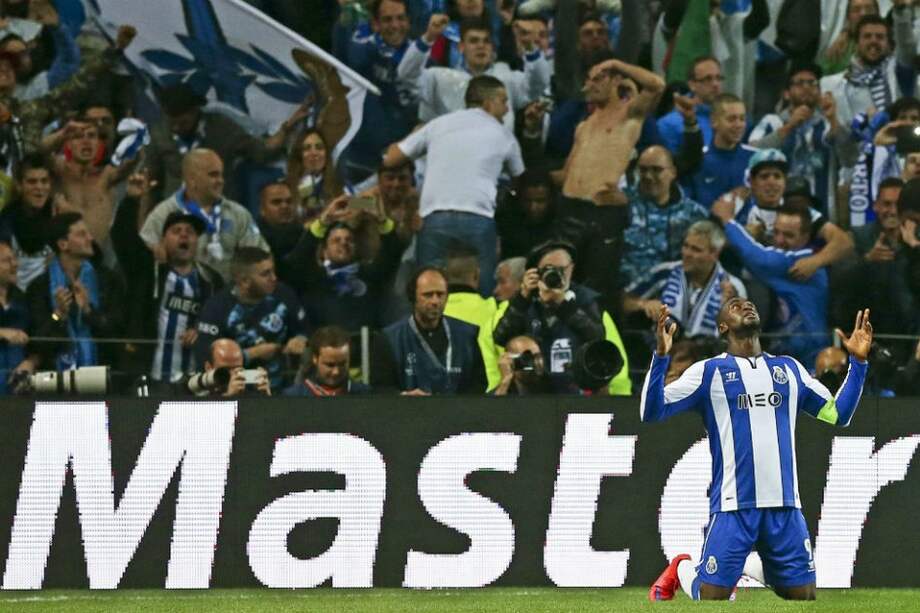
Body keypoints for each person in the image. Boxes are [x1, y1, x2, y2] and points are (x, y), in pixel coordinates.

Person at [643, 302, 872, 602]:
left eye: (749, 303)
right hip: (733, 505)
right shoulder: (708, 372)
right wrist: (661, 357)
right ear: (723, 327)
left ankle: (747, 565)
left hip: (785, 505)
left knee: (802, 597)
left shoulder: (789, 369)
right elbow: (652, 411)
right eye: (735, 306)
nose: (746, 305)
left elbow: (838, 415)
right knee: (711, 598)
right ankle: (681, 567)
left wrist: (858, 363)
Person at [383, 75, 524, 296]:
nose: (507, 110)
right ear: (488, 102)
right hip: (479, 218)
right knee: (482, 295)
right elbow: (521, 180)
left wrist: (415, 135)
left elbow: (390, 159)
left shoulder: (438, 125)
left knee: (430, 292)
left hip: (435, 219)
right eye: (503, 101)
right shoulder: (504, 135)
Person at [559, 56, 664, 300]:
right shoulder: (584, 126)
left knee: (596, 290)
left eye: (599, 78)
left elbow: (657, 85)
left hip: (601, 212)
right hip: (569, 209)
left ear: (617, 80)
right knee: (562, 285)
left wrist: (617, 64)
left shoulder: (629, 115)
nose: (592, 84)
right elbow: (566, 172)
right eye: (589, 80)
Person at [492, 241, 631, 395]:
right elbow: (500, 337)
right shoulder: (524, 301)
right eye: (548, 269)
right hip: (534, 390)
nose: (556, 274)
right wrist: (522, 297)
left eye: (561, 269)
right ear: (536, 272)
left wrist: (564, 305)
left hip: (576, 389)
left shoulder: (585, 300)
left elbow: (598, 337)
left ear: (571, 268)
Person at [144, 83, 306, 203]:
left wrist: (287, 128)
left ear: (195, 111)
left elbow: (261, 151)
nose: (176, 128)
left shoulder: (221, 128)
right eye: (172, 123)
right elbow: (151, 181)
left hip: (219, 211)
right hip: (177, 215)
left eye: (183, 123)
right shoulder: (158, 133)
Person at [712, 202, 829, 366]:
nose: (780, 240)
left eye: (788, 235)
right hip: (780, 359)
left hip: (811, 359)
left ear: (805, 237)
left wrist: (728, 221)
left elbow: (759, 258)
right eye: (776, 232)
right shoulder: (780, 263)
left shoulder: (805, 261)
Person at [139, 149, 270, 282]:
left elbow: (261, 257)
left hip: (228, 292)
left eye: (221, 175)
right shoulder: (163, 214)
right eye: (213, 175)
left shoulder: (238, 214)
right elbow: (141, 258)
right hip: (181, 290)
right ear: (192, 179)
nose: (221, 181)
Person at [283, 194, 406, 331]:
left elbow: (393, 251)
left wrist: (382, 220)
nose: (344, 243)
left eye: (349, 240)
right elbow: (297, 259)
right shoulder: (314, 278)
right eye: (336, 240)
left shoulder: (369, 274)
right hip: (324, 342)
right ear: (323, 250)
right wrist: (323, 221)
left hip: (366, 341)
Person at [128, 211, 223, 387]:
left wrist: (201, 330)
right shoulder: (148, 273)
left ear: (197, 241)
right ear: (163, 240)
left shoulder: (211, 280)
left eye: (190, 231)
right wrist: (132, 201)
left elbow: (221, 321)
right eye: (176, 230)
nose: (184, 235)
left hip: (194, 380)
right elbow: (123, 237)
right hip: (150, 375)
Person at [194, 247, 307, 390]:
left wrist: (300, 339)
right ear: (244, 281)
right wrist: (251, 354)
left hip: (282, 389)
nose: (274, 278)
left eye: (273, 271)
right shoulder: (216, 308)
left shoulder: (284, 294)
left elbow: (304, 330)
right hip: (235, 390)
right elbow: (206, 360)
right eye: (265, 274)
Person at [25, 212, 124, 370]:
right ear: (63, 244)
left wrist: (88, 311)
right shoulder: (39, 287)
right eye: (81, 234)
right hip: (56, 377)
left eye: (88, 233)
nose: (90, 238)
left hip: (103, 374)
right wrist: (58, 314)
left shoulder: (107, 280)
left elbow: (117, 332)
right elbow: (37, 344)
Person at [748, 63, 850, 211]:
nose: (806, 87)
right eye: (799, 83)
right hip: (778, 212)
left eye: (812, 83)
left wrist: (834, 120)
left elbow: (850, 159)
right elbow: (750, 154)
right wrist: (789, 126)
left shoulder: (829, 124)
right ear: (786, 93)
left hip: (822, 211)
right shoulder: (772, 122)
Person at [417, 18, 550, 130]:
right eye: (474, 41)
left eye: (486, 41)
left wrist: (530, 47)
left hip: (499, 151)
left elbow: (538, 84)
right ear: (461, 47)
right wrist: (428, 38)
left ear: (492, 48)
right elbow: (409, 79)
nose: (481, 46)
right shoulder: (441, 78)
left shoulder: (507, 78)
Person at [624, 221, 746, 339]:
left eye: (696, 249)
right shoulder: (664, 272)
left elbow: (742, 335)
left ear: (714, 254)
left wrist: (730, 310)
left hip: (707, 350)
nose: (687, 253)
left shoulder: (733, 286)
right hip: (660, 348)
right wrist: (643, 304)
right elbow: (623, 301)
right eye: (685, 246)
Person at [381, 266, 486, 394]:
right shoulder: (390, 339)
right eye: (428, 295)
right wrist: (404, 397)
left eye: (440, 294)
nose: (435, 301)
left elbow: (479, 385)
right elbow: (379, 389)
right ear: (413, 297)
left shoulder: (467, 335)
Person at [619, 145, 708, 290]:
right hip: (628, 293)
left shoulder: (694, 214)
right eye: (643, 170)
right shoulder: (622, 203)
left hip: (675, 292)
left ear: (673, 173)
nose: (648, 176)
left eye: (656, 170)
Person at [820, 11, 917, 137]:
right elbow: (837, 138)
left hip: (903, 144)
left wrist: (901, 11)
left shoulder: (899, 73)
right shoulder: (833, 85)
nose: (873, 41)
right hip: (860, 147)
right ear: (856, 43)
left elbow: (906, 48)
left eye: (880, 37)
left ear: (888, 43)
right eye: (867, 36)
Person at [52, 120, 140, 244]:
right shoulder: (59, 170)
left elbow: (134, 158)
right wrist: (62, 134)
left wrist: (136, 136)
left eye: (91, 136)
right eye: (78, 137)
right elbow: (39, 150)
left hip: (100, 253)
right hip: (65, 250)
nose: (86, 141)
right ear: (68, 144)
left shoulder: (107, 175)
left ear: (98, 144)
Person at [442, 244, 501, 391]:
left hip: (444, 394)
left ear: (444, 277)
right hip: (491, 394)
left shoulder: (432, 314)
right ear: (476, 275)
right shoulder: (493, 309)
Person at [683, 93, 757, 209]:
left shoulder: (756, 159)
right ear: (714, 121)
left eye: (742, 119)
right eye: (731, 119)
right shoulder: (698, 160)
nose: (739, 125)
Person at [0, 153, 55, 289]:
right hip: (15, 295)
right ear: (19, 185)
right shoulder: (6, 220)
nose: (39, 187)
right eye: (32, 182)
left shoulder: (60, 214)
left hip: (51, 296)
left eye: (44, 181)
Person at [657, 57, 724, 154]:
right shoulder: (669, 124)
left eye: (718, 78)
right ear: (692, 85)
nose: (715, 84)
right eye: (708, 79)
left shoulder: (734, 118)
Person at [284, 325, 371, 396]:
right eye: (330, 365)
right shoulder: (293, 397)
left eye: (342, 364)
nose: (336, 372)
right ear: (315, 358)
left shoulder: (367, 395)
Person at [0, 240, 35, 393]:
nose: (15, 264)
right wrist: (1, 332)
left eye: (14, 258)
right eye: (7, 260)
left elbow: (37, 338)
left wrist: (31, 362)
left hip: (18, 389)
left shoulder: (23, 299)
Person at [256, 181, 302, 287]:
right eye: (276, 202)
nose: (284, 206)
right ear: (262, 208)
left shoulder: (300, 232)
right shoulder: (254, 238)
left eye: (289, 201)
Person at [192, 338, 270, 397]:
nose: (233, 375)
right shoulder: (193, 387)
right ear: (208, 368)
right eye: (226, 369)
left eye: (237, 369)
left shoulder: (248, 390)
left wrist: (266, 399)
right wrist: (229, 398)